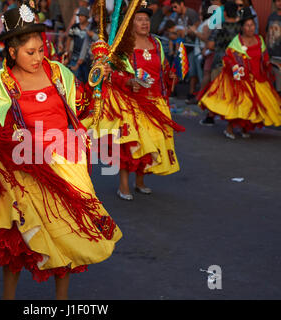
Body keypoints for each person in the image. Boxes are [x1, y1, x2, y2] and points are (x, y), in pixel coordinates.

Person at [0, 4, 121, 300]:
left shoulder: (59, 73)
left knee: (67, 240)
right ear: (11, 52)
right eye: (29, 52)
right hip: (23, 172)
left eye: (40, 49)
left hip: (65, 167)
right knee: (18, 248)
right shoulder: (1, 84)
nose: (37, 57)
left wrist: (98, 81)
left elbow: (82, 108)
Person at [83, 2, 185, 200]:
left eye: (146, 19)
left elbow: (161, 69)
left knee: (152, 145)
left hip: (155, 102)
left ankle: (140, 182)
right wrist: (129, 81)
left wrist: (170, 76)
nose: (144, 23)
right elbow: (112, 74)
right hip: (132, 105)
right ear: (131, 24)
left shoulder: (156, 43)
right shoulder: (123, 47)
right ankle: (123, 186)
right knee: (131, 147)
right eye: (139, 19)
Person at [199, 8, 281, 139]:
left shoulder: (259, 40)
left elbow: (264, 57)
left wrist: (268, 65)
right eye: (247, 25)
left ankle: (244, 128)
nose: (250, 28)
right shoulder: (237, 41)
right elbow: (229, 57)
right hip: (241, 80)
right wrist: (237, 75)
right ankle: (229, 129)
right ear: (242, 27)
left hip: (257, 79)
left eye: (252, 25)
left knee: (255, 107)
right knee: (240, 105)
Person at [199, 1, 241, 126]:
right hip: (236, 62)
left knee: (216, 90)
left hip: (220, 61)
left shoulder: (221, 26)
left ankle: (211, 116)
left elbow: (211, 44)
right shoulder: (241, 28)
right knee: (234, 91)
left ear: (225, 13)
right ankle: (233, 117)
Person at [170, 0, 201, 104]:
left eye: (175, 7)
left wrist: (187, 31)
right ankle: (172, 91)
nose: (174, 9)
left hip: (191, 45)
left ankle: (191, 93)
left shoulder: (191, 13)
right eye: (173, 8)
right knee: (176, 68)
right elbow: (173, 30)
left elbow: (198, 26)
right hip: (181, 46)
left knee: (192, 70)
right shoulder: (177, 16)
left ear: (181, 4)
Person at [266, 0, 281, 109]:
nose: (279, 3)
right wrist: (265, 51)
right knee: (272, 82)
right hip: (271, 54)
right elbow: (267, 34)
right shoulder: (272, 16)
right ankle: (274, 108)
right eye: (277, 1)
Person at [65, 6, 91, 84]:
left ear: (86, 17)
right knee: (75, 81)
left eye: (82, 16)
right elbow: (69, 39)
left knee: (87, 81)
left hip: (87, 58)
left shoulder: (91, 27)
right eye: (79, 16)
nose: (80, 18)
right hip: (75, 57)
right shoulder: (74, 27)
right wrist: (68, 52)